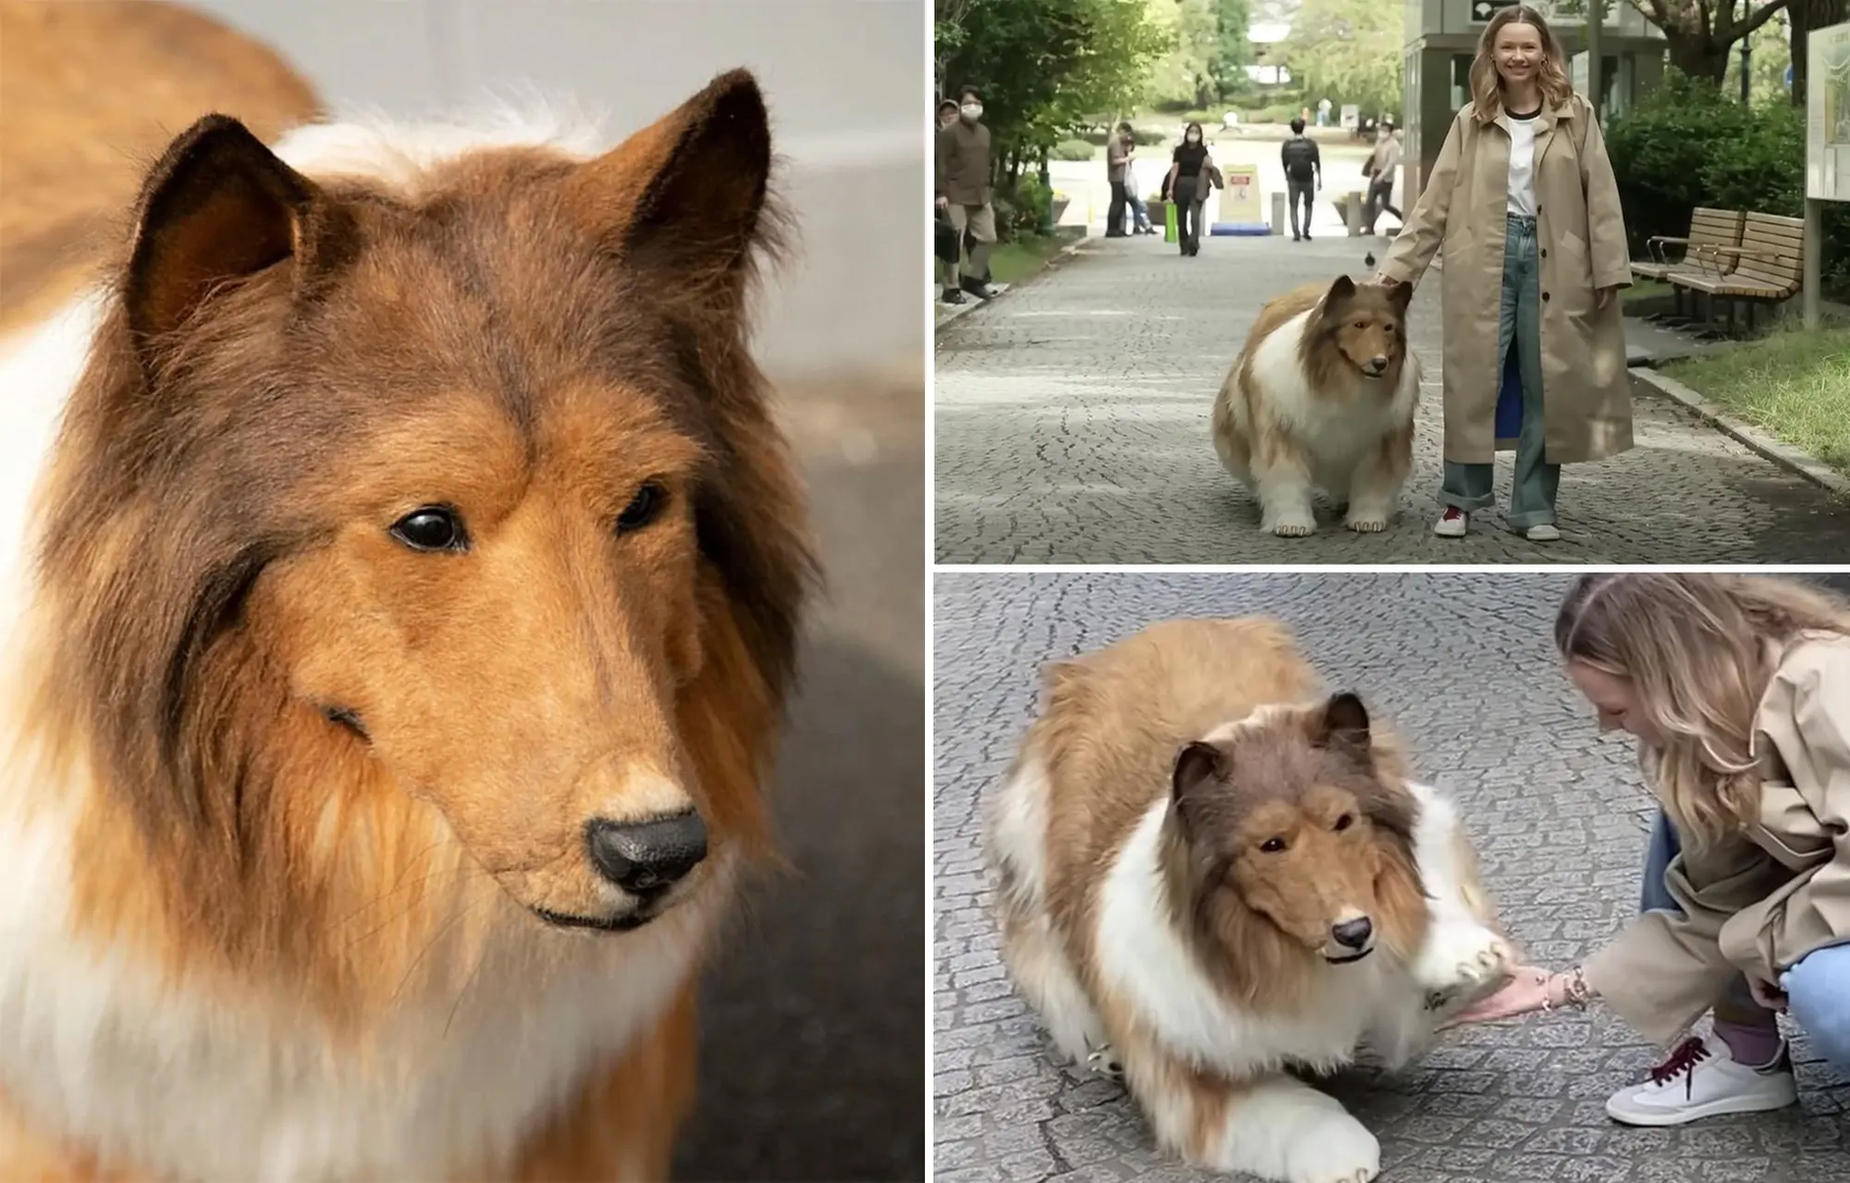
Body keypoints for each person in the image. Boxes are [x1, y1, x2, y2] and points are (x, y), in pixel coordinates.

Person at [1451, 573, 1850, 1126]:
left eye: (1615, 708)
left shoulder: (1829, 683)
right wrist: (1559, 987)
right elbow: (1717, 903)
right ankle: (1744, 1056)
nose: (1606, 727)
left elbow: (1744, 922)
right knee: (1691, 810)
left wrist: (1762, 942)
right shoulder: (1714, 731)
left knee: (1830, 992)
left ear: (1673, 679)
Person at [1372, 3, 1632, 543]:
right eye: (1508, 46)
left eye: (1528, 46)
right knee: (1473, 382)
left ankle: (1535, 508)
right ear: (1492, 52)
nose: (1518, 55)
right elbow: (1435, 203)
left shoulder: (1574, 114)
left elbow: (1601, 196)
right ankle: (1459, 501)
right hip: (1480, 260)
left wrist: (1609, 268)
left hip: (1557, 262)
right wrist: (1397, 272)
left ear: (1544, 54)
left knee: (1549, 384)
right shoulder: (1471, 121)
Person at [935, 86, 998, 305]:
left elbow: (987, 161)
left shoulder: (984, 132)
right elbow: (940, 164)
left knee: (988, 237)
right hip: (955, 194)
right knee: (954, 242)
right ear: (961, 106)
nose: (973, 107)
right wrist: (941, 192)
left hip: (980, 194)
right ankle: (951, 288)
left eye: (977, 103)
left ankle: (973, 278)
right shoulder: (948, 134)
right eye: (968, 103)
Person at [1163, 121, 1214, 257]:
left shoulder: (1203, 150)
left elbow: (1207, 167)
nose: (1193, 135)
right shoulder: (1180, 150)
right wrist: (1170, 188)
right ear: (1186, 134)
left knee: (1195, 216)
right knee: (1181, 216)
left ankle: (1193, 242)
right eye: (1191, 131)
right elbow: (1175, 168)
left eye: (1196, 132)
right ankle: (1184, 244)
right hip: (1182, 183)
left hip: (1197, 184)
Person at [1279, 116, 1321, 242]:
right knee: (1308, 205)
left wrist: (1286, 175)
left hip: (1293, 178)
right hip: (1308, 177)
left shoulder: (1287, 145)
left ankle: (1296, 232)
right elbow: (1317, 162)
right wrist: (1320, 179)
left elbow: (1284, 163)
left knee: (1293, 205)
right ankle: (1306, 230)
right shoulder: (1311, 144)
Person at [1362, 121, 1403, 235]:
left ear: (1390, 132)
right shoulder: (1379, 142)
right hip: (1376, 173)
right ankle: (1369, 228)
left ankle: (1404, 219)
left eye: (1385, 131)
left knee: (1386, 204)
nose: (1382, 133)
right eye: (1381, 130)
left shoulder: (1394, 145)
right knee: (1370, 201)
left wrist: (1381, 176)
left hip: (1386, 178)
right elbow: (1375, 156)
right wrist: (1372, 169)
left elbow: (1391, 164)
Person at [1106, 121, 1134, 238]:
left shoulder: (1120, 141)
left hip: (1121, 176)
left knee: (1121, 202)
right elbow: (1115, 161)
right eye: (1126, 133)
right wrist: (1128, 159)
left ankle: (1119, 228)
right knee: (1117, 203)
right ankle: (1112, 229)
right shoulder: (1115, 141)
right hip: (1116, 176)